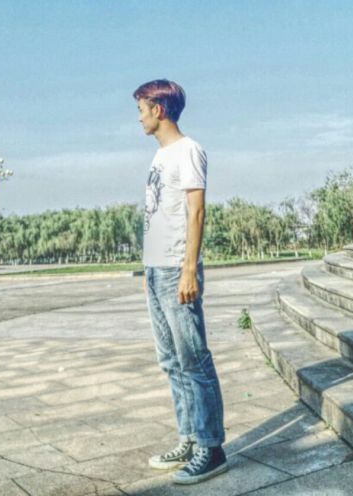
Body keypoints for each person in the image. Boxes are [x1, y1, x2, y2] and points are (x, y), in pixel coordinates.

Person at [133, 79, 227, 485]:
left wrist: (189, 268)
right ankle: (189, 438)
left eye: (141, 110)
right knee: (171, 361)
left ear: (159, 110)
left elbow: (196, 212)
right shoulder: (159, 157)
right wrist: (148, 269)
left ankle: (212, 447)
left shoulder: (189, 150)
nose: (139, 118)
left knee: (193, 359)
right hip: (157, 269)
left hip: (176, 268)